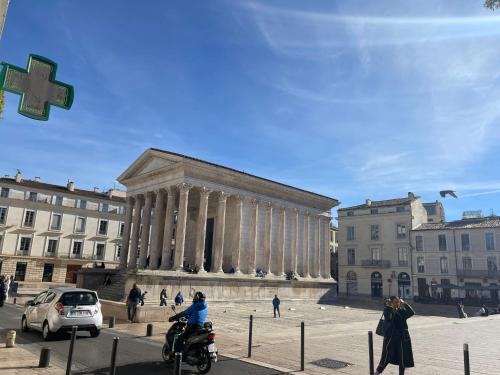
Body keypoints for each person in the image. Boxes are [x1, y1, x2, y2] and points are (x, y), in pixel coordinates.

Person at [375, 296, 415, 375]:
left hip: (402, 338)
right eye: (395, 302)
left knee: (402, 358)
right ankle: (377, 372)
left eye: (398, 302)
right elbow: (389, 317)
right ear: (391, 302)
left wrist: (404, 304)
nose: (397, 303)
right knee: (386, 356)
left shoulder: (401, 311)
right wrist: (389, 306)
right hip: (391, 338)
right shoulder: (388, 310)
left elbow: (411, 312)